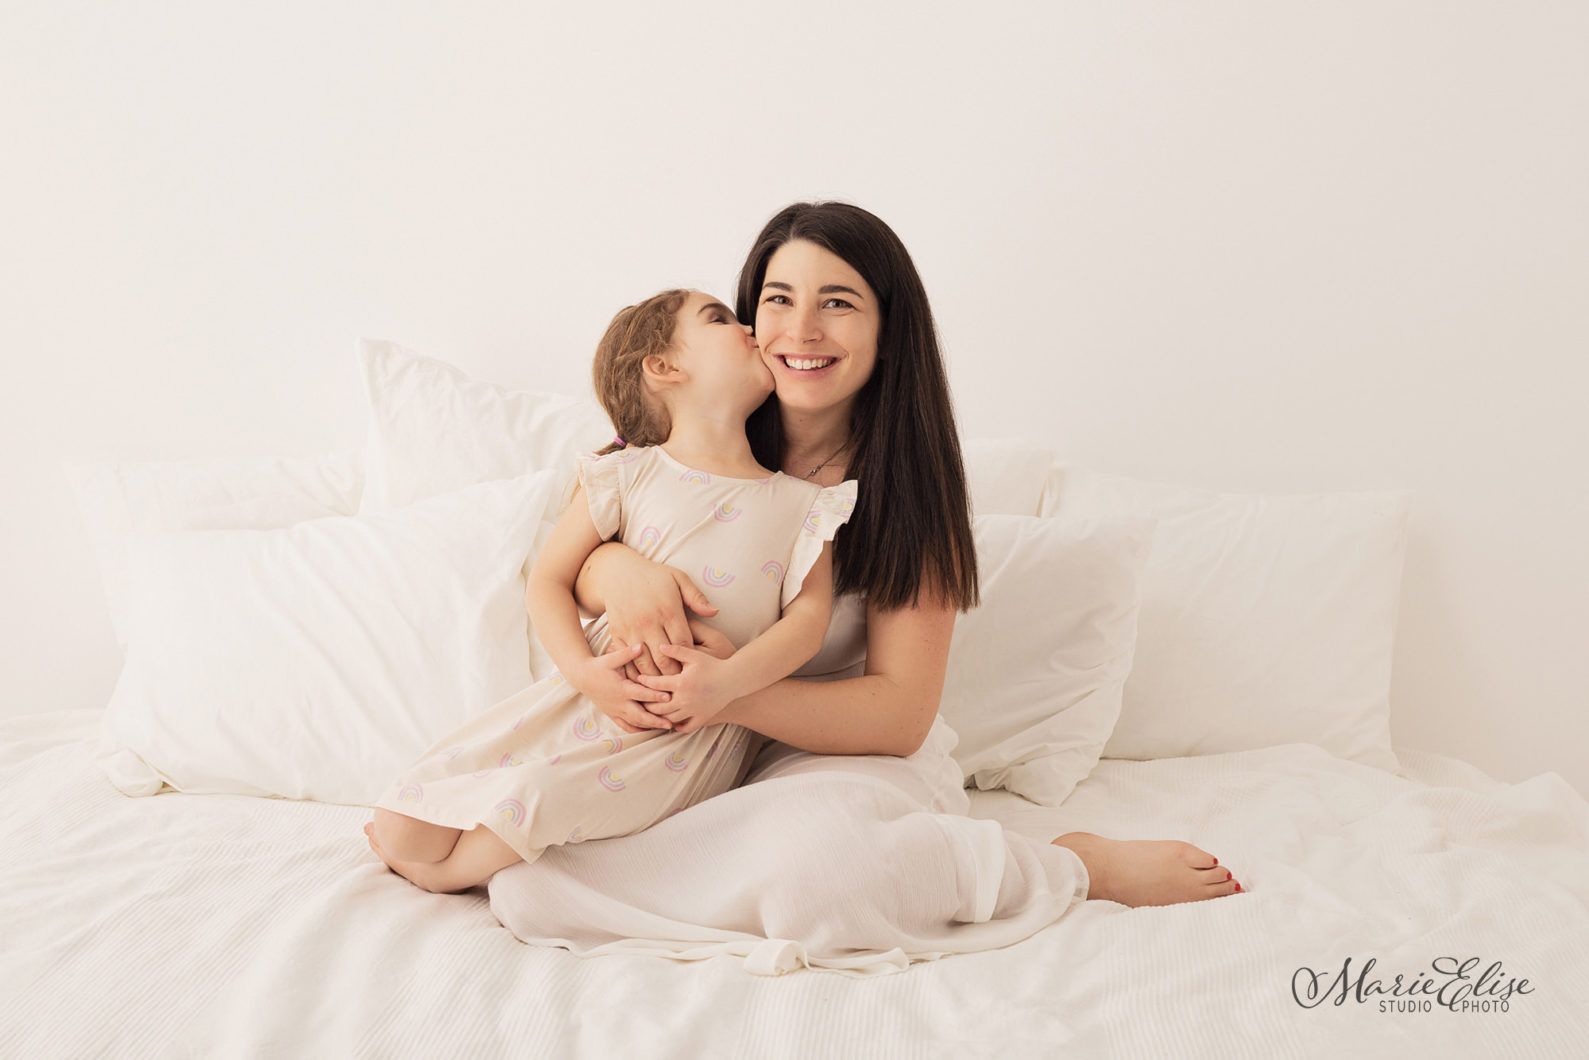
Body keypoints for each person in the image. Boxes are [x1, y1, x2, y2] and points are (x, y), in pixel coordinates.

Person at [555, 202, 1243, 912]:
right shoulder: (689, 431)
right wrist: (619, 571)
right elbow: (566, 554)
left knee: (820, 871)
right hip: (684, 750)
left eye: (838, 303)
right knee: (544, 856)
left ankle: (1067, 866)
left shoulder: (904, 490)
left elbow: (898, 713)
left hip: (834, 756)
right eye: (778, 299)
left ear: (888, 332)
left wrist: (725, 691)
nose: (801, 330)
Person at [364, 288, 857, 894]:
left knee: (533, 799)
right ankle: (421, 855)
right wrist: (583, 673)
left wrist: (728, 685)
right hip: (591, 694)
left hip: (687, 730)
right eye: (720, 319)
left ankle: (440, 879)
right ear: (664, 367)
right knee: (402, 818)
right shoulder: (627, 473)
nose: (752, 326)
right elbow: (549, 579)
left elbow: (807, 622)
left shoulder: (805, 504)